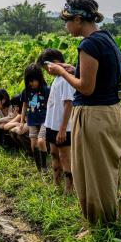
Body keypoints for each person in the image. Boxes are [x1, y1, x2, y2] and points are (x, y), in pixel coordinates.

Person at [46, 0, 121, 224]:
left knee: (92, 174)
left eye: (67, 20)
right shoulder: (105, 38)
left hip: (96, 115)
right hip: (112, 111)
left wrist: (62, 73)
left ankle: (99, 227)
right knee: (105, 173)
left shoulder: (89, 44)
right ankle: (105, 223)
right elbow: (98, 77)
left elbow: (87, 88)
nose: (66, 26)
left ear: (78, 19)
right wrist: (74, 69)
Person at [39, 49, 75, 192]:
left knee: (64, 156)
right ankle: (56, 183)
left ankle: (69, 188)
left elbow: (68, 104)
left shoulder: (66, 79)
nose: (47, 71)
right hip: (51, 125)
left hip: (63, 128)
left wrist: (62, 129)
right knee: (54, 153)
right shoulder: (57, 79)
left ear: (54, 63)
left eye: (46, 67)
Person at [21, 64, 50, 171]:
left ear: (39, 78)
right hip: (32, 120)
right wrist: (21, 120)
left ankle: (44, 166)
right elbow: (24, 105)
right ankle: (39, 168)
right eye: (29, 81)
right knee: (33, 145)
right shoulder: (26, 91)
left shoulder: (46, 89)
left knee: (41, 141)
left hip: (45, 119)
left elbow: (50, 105)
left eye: (33, 80)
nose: (31, 83)